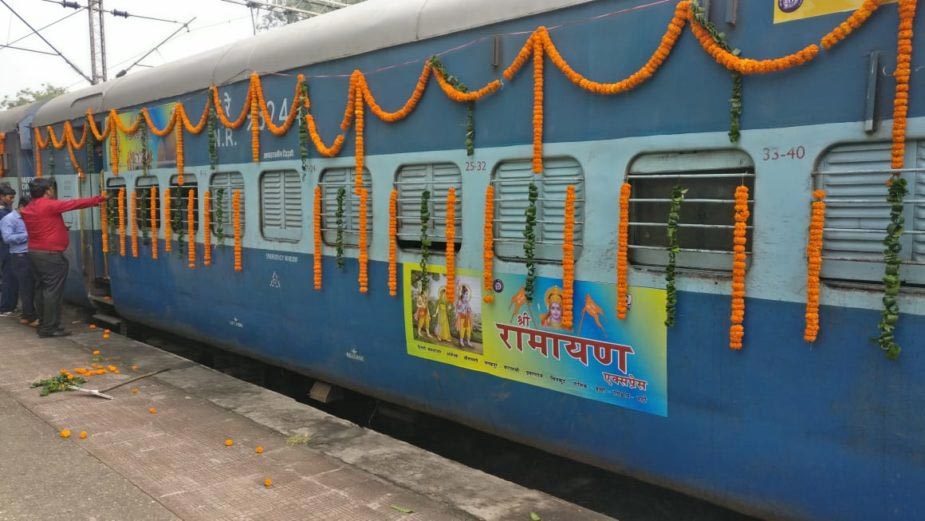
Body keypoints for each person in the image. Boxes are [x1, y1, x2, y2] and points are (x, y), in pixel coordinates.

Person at [20, 178, 106, 338]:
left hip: (34, 253)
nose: (53, 192)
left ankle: (43, 324)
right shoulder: (48, 205)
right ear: (47, 191)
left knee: (41, 289)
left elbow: (43, 225)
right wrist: (98, 199)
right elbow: (74, 204)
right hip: (51, 256)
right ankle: (50, 328)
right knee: (52, 292)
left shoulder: (30, 207)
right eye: (52, 189)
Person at [0, 195, 37, 326]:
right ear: (22, 207)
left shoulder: (28, 217)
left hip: (30, 254)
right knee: (26, 286)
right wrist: (28, 235)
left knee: (31, 285)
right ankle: (29, 316)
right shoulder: (8, 219)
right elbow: (7, 238)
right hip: (19, 256)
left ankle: (27, 315)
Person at [0, 183, 17, 316]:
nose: (12, 200)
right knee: (9, 277)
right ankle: (7, 307)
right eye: (10, 197)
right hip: (6, 247)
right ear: (1, 197)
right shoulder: (4, 214)